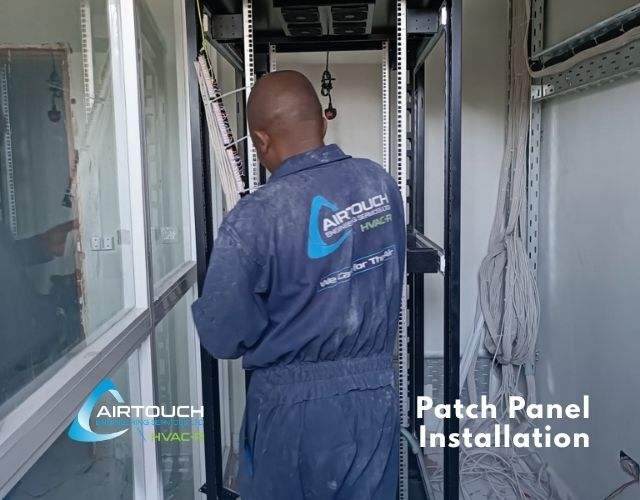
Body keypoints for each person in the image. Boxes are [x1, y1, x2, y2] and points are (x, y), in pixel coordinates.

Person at [192, 70, 406, 499]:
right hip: (375, 398)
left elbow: (224, 336)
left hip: (293, 413)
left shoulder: (256, 218)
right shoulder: (379, 184)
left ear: (261, 140)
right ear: (322, 124)